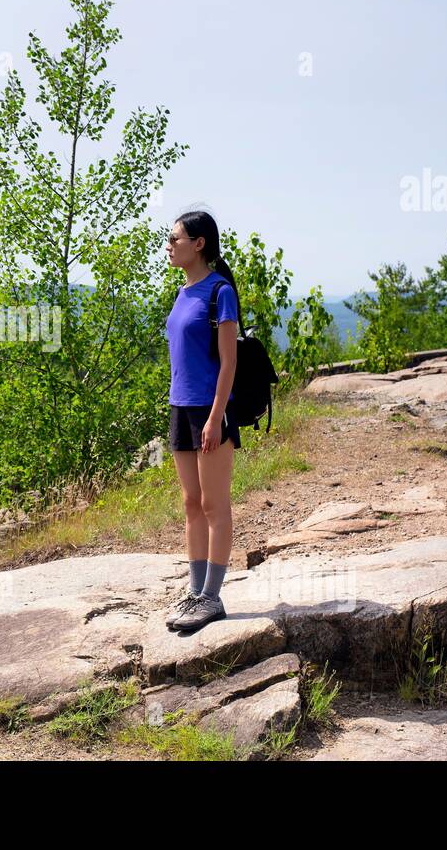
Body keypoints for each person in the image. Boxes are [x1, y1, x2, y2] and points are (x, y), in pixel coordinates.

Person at [162, 204, 241, 632]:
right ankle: (195, 593)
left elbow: (228, 364)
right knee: (191, 504)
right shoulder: (181, 293)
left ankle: (212, 597)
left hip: (211, 411)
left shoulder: (219, 292)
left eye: (175, 239)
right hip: (180, 407)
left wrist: (215, 418)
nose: (169, 246)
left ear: (199, 244)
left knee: (214, 504)